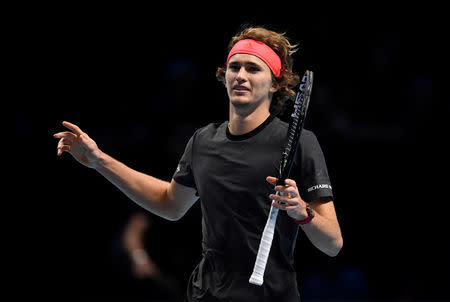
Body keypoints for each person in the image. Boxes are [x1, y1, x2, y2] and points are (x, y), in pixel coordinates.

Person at [54, 26, 343, 301]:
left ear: (275, 84)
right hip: (205, 295)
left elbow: (332, 244)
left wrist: (301, 211)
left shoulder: (301, 143)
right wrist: (99, 160)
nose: (241, 75)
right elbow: (169, 204)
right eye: (234, 66)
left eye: (253, 68)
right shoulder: (203, 141)